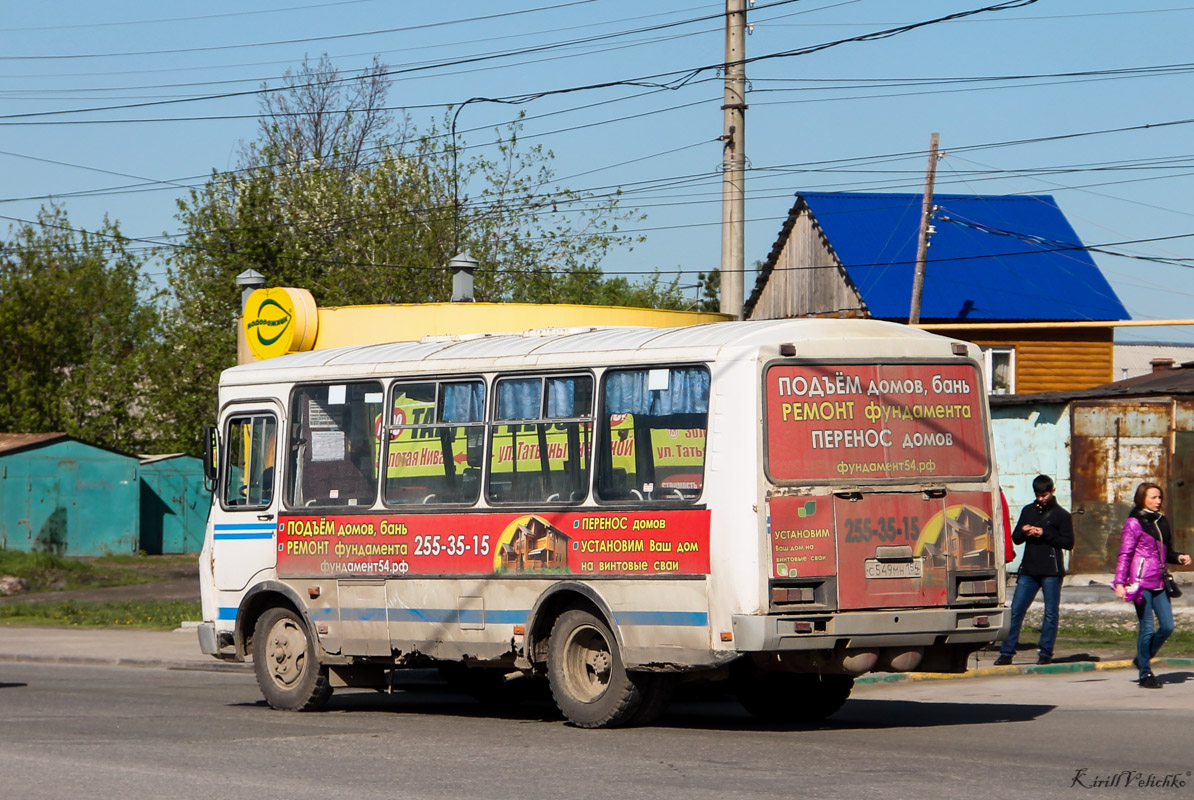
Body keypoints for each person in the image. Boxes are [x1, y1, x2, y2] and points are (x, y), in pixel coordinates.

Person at [1112, 482, 1191, 689]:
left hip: (1159, 581)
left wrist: (1179, 557)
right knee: (1146, 627)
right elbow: (1125, 554)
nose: (1158, 501)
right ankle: (1145, 673)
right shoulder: (1134, 523)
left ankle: (1142, 657)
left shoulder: (1162, 521)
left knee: (1167, 626)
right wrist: (1119, 583)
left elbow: (1165, 552)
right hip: (1139, 583)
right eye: (1154, 497)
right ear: (1142, 499)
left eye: (1159, 497)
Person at [994, 475, 1074, 666]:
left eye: (1044, 495)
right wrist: (1025, 530)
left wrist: (1044, 533)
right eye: (1038, 495)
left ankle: (1045, 653)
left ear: (1052, 492)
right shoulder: (1028, 510)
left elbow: (1068, 542)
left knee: (1050, 613)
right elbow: (1016, 537)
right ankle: (1007, 652)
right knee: (1016, 611)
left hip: (1051, 571)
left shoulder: (1061, 515)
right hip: (1029, 569)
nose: (1041, 499)